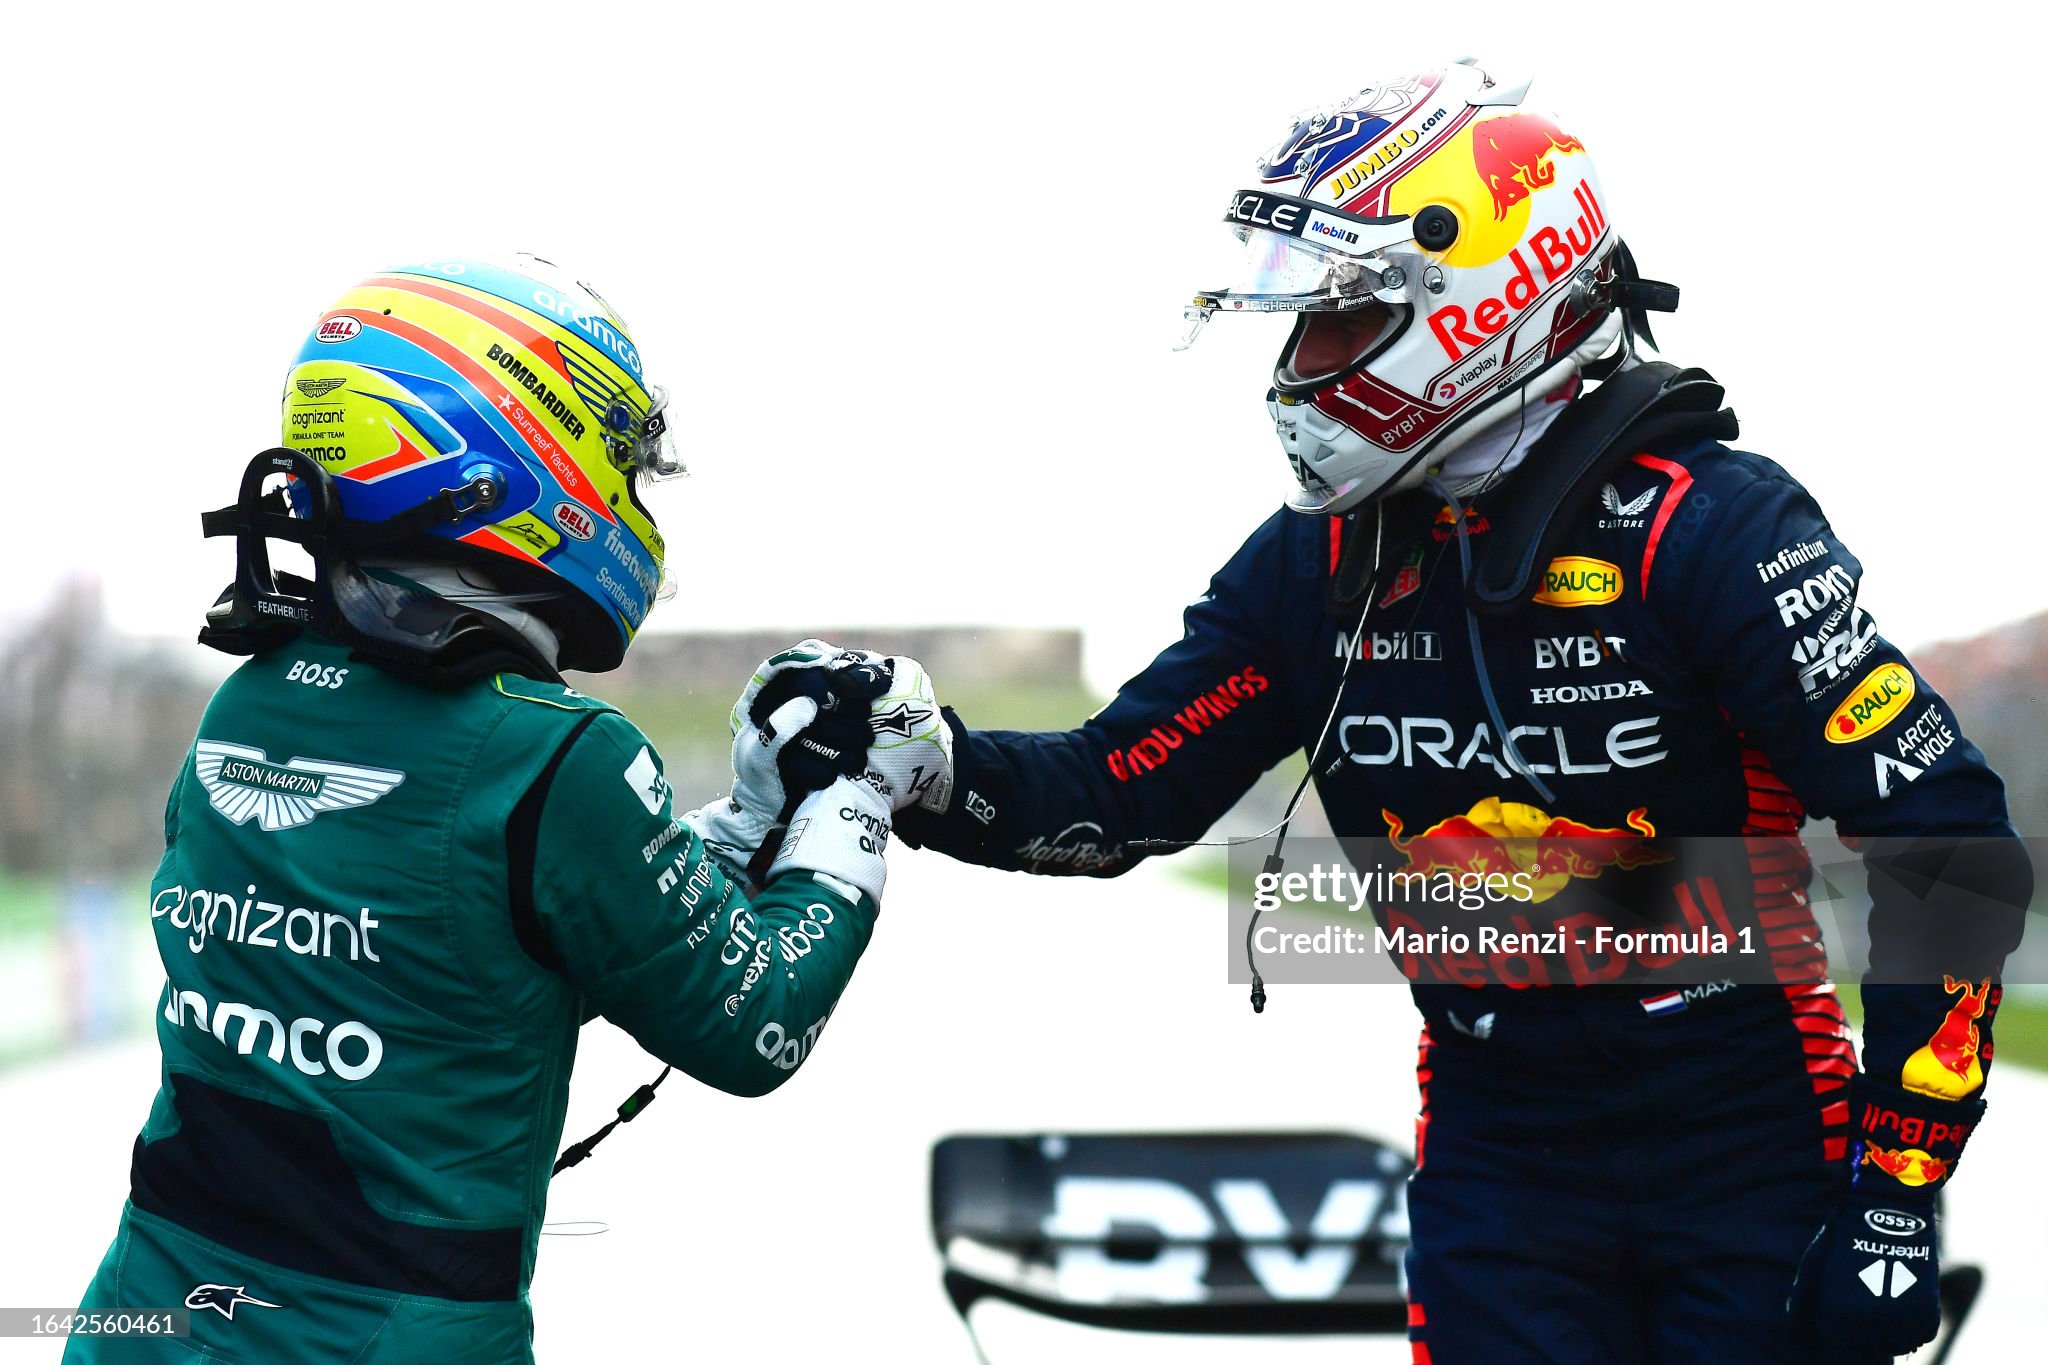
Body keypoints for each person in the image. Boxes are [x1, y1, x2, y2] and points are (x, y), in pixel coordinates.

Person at [816, 64, 2031, 1363]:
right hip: (1500, 1161)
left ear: (1486, 301)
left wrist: (1900, 1194)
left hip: (1750, 1143)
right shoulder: (1312, 563)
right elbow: (1122, 787)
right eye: (1298, 326)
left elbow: (1946, 840)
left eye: (1339, 323)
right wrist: (919, 764)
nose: (1298, 368)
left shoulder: (1712, 526)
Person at [66, 257, 947, 1363]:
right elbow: (753, 1022)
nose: (631, 494)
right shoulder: (554, 751)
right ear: (514, 461)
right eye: (621, 461)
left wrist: (743, 821)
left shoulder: (250, 701)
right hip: (391, 1336)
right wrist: (856, 801)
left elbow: (459, 970)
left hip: (146, 1315)